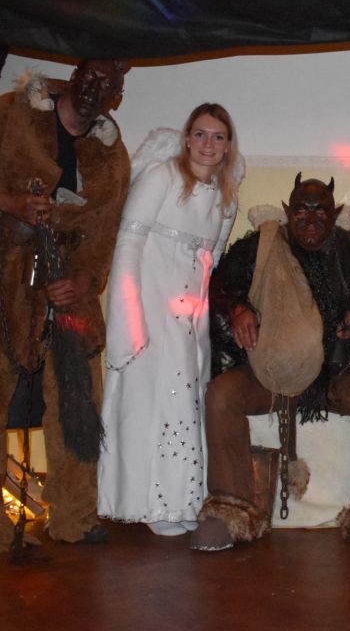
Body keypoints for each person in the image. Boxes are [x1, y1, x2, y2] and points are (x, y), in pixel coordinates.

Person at [0, 59, 131, 561]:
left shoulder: (111, 152)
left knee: (77, 403)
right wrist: (8, 202)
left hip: (68, 289)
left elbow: (105, 228)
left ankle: (74, 518)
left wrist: (84, 280)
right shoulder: (11, 113)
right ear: (74, 75)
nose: (95, 88)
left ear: (118, 95)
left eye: (108, 84)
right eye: (90, 75)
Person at [191, 175, 350, 552]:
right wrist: (237, 309)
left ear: (336, 212)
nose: (311, 219)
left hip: (335, 376)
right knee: (221, 394)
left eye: (321, 211)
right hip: (270, 374)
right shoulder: (260, 247)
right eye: (301, 209)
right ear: (287, 211)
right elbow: (217, 286)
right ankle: (230, 511)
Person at [97, 103, 245, 535]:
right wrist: (128, 318)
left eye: (218, 137)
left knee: (185, 406)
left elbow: (212, 260)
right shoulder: (160, 177)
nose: (208, 144)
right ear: (186, 138)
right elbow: (128, 246)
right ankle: (149, 505)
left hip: (189, 323)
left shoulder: (226, 198)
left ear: (228, 145)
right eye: (200, 134)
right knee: (150, 407)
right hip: (148, 312)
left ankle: (181, 500)